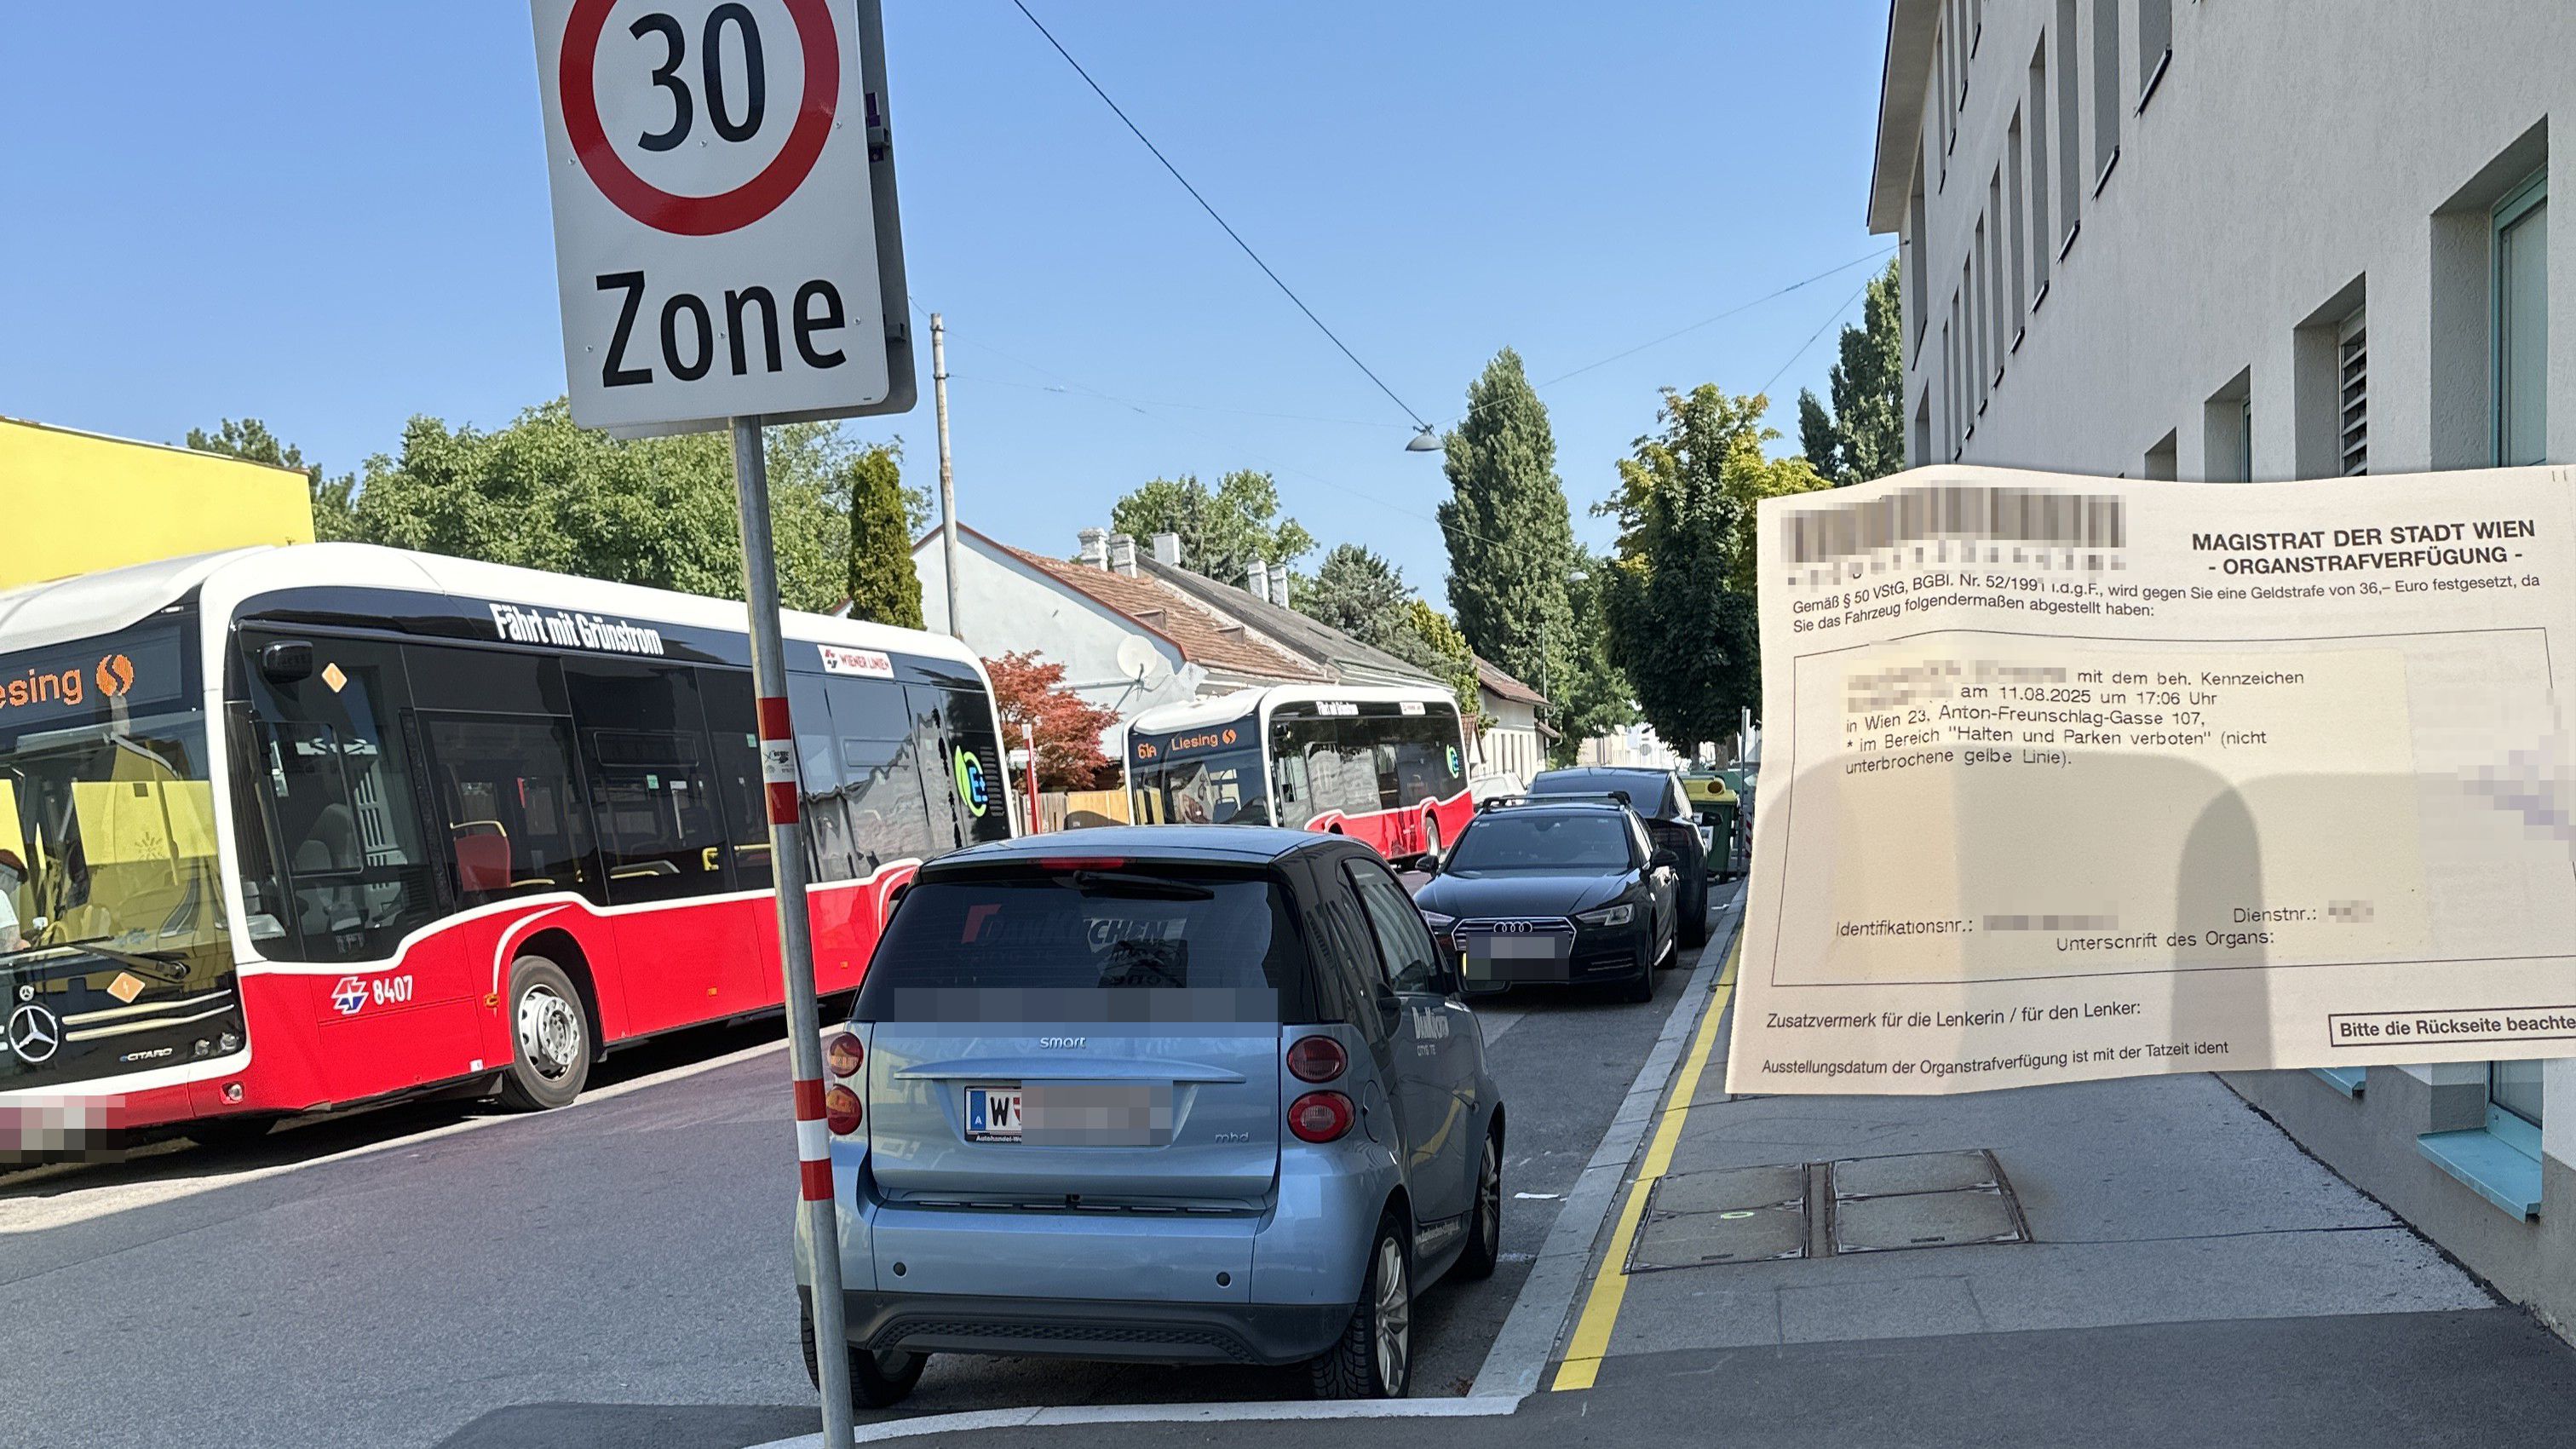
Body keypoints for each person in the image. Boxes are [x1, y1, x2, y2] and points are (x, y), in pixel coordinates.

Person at [0, 848, 27, 952]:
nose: (13, 890)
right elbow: (11, 945)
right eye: (15, 884)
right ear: (4, 877)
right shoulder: (1, 897)